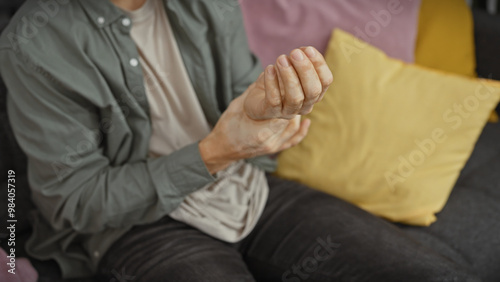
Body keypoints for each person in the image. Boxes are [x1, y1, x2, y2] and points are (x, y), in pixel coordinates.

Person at [0, 0, 480, 281]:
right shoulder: (34, 42)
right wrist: (217, 150)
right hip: (136, 227)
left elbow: (243, 96)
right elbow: (75, 202)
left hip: (248, 187)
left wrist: (268, 113)